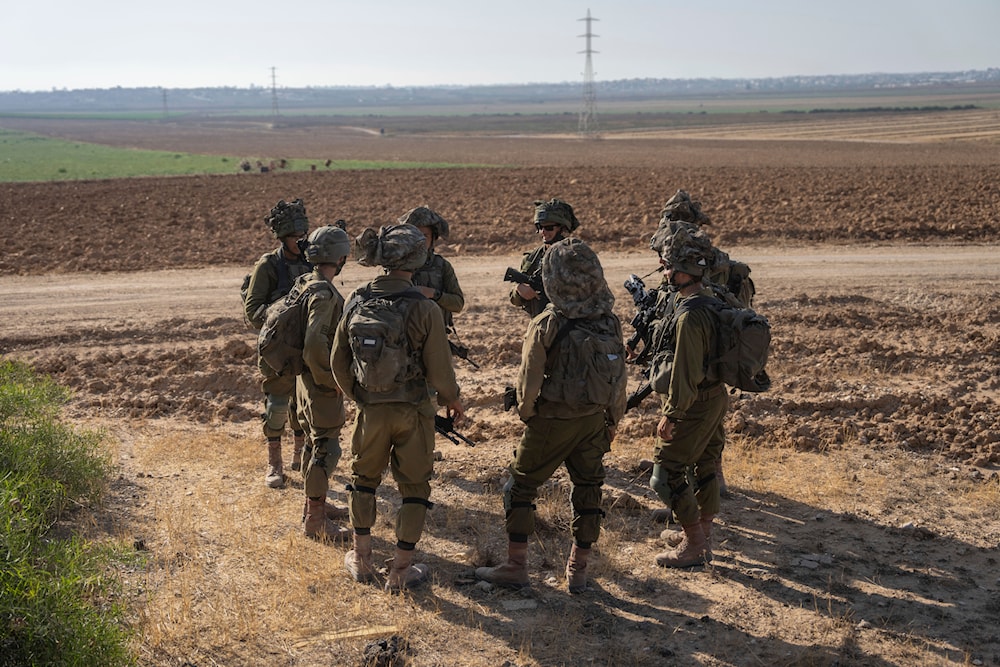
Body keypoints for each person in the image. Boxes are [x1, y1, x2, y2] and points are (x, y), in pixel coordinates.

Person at [477, 238, 626, 593]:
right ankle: (578, 569)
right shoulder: (609, 322)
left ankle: (515, 565)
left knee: (520, 487)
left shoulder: (547, 322)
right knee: (589, 489)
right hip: (594, 420)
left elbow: (528, 380)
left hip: (552, 420)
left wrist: (529, 415)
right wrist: (612, 423)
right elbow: (620, 379)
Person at [331, 222, 465, 592]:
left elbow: (337, 363)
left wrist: (359, 397)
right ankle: (401, 571)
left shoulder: (357, 299)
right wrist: (454, 401)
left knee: (363, 482)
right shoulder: (425, 308)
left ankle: (361, 558)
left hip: (371, 412)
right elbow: (440, 371)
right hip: (414, 413)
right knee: (414, 489)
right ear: (415, 259)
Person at [645, 225, 728, 568]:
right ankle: (702, 535)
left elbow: (686, 371)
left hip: (693, 402)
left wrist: (674, 413)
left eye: (669, 268)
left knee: (665, 474)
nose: (665, 273)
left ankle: (694, 545)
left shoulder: (690, 316)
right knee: (706, 465)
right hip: (715, 397)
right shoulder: (713, 301)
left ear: (684, 272)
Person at [243, 199, 313, 489]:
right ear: (283, 237)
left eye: (303, 237)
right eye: (296, 238)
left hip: (308, 347)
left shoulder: (312, 261)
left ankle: (300, 455)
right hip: (278, 349)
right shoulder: (269, 264)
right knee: (277, 406)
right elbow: (252, 311)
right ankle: (275, 463)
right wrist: (280, 317)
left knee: (305, 405)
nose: (301, 242)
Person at [293, 225, 353, 541]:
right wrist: (330, 380)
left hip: (303, 381)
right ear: (339, 257)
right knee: (326, 448)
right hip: (318, 383)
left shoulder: (305, 282)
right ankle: (315, 520)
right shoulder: (325, 294)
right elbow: (316, 342)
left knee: (312, 442)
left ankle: (314, 506)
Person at [509, 198, 579, 319]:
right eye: (540, 227)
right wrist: (519, 290)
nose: (543, 232)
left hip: (572, 330)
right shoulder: (532, 259)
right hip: (541, 329)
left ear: (562, 228)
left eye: (549, 227)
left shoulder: (577, 256)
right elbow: (515, 300)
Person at [403, 206, 465, 331]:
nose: (419, 240)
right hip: (403, 333)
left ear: (433, 238)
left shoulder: (441, 266)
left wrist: (433, 294)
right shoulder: (397, 265)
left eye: (425, 236)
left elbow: (458, 304)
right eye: (415, 235)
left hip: (435, 333)